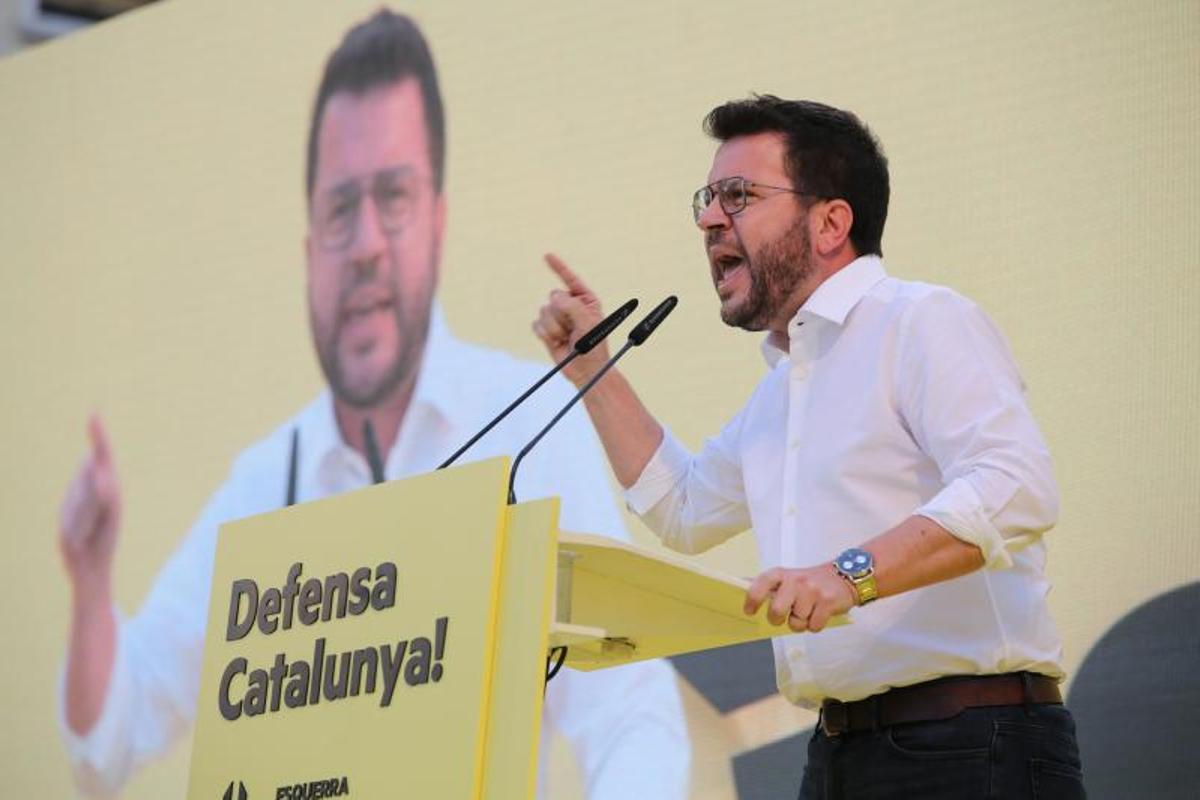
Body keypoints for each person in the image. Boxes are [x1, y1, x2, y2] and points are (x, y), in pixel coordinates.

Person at [56, 10, 688, 798]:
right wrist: (89, 583)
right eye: (337, 210)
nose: (362, 245)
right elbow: (106, 747)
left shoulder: (527, 421)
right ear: (308, 253)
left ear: (438, 222)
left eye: (392, 197)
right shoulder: (265, 481)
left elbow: (627, 706)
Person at [533, 96, 1086, 799]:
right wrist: (591, 369)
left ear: (831, 222)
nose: (708, 219)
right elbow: (685, 507)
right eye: (707, 198)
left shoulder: (919, 321)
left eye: (738, 195)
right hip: (837, 758)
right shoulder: (783, 389)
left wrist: (847, 573)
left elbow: (1016, 485)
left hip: (971, 746)